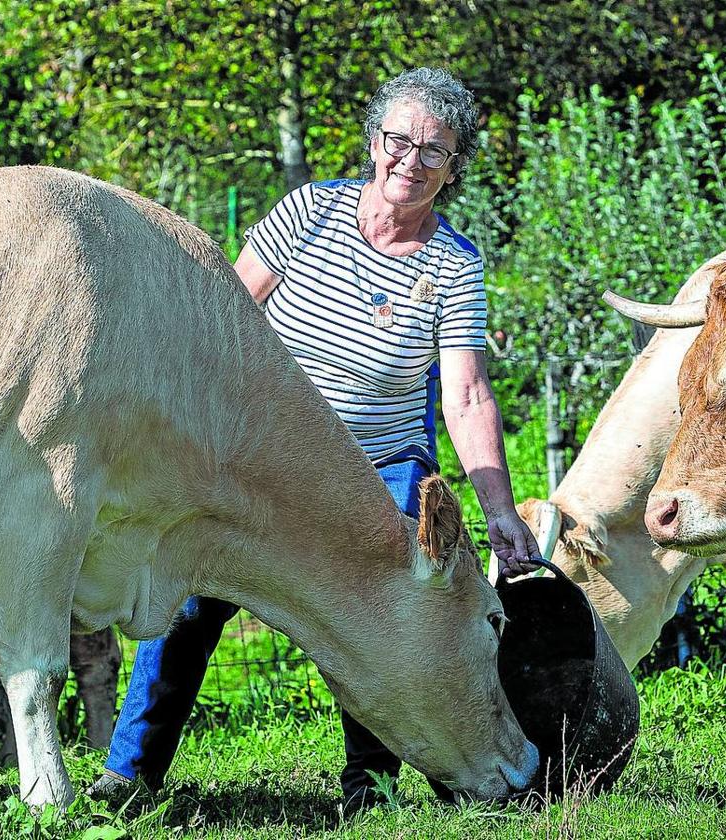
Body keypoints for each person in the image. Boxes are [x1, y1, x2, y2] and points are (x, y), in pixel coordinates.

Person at [88, 67, 541, 813]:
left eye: (435, 150)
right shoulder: (309, 212)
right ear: (373, 142)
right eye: (399, 140)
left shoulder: (454, 264)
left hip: (381, 465)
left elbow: (465, 394)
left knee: (391, 603)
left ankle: (374, 785)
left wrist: (497, 509)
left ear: (454, 167)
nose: (411, 161)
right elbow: (223, 317)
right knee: (192, 599)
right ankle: (130, 774)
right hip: (263, 461)